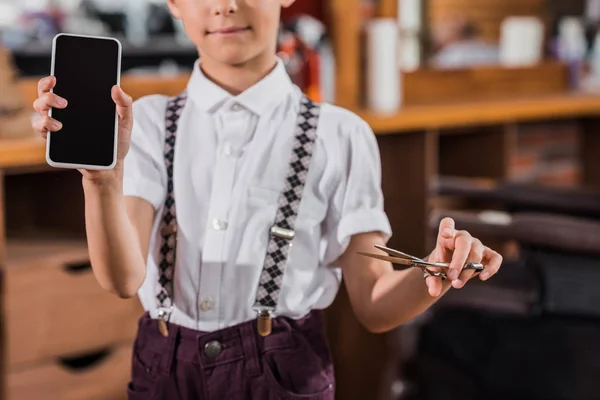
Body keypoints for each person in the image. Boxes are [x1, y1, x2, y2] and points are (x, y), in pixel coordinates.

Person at [31, 0, 503, 399]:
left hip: (283, 375)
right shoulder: (147, 126)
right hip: (163, 373)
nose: (225, 6)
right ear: (172, 3)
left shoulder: (340, 136)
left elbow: (374, 302)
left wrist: (430, 273)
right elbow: (122, 278)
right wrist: (101, 182)